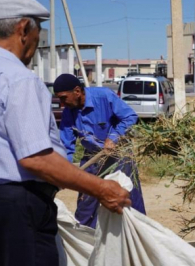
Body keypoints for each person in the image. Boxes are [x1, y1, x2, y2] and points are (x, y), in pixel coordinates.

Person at [0, 0, 131, 266]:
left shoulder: (103, 97)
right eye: (39, 31)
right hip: (19, 208)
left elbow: (127, 118)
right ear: (24, 29)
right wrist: (100, 189)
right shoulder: (19, 78)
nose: (38, 40)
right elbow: (36, 157)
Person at [54, 73, 146, 228]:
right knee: (86, 204)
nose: (62, 104)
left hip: (119, 156)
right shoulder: (68, 113)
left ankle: (137, 233)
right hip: (92, 158)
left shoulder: (104, 96)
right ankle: (88, 240)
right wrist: (63, 173)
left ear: (77, 91)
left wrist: (113, 137)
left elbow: (130, 116)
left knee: (126, 199)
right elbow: (66, 147)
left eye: (64, 98)